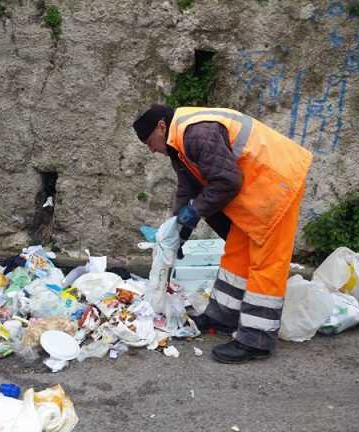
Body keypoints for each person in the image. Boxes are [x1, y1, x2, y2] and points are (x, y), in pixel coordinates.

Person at [133, 104, 311, 363]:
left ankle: (256, 340)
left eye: (150, 141)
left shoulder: (196, 134)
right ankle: (222, 316)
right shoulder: (178, 143)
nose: (151, 149)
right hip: (256, 187)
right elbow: (187, 188)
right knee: (237, 254)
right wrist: (178, 230)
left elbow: (227, 182)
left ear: (161, 126)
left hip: (276, 184)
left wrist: (194, 212)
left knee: (266, 263)